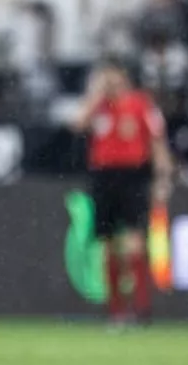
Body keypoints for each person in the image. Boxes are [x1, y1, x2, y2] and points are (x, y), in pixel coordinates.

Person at [71, 56, 174, 326]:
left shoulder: (140, 104)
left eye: (113, 75)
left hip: (133, 177)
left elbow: (157, 142)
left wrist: (163, 178)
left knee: (134, 245)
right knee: (107, 246)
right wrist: (95, 96)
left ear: (124, 75)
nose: (110, 81)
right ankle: (116, 312)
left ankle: (141, 309)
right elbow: (77, 125)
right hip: (104, 177)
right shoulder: (99, 106)